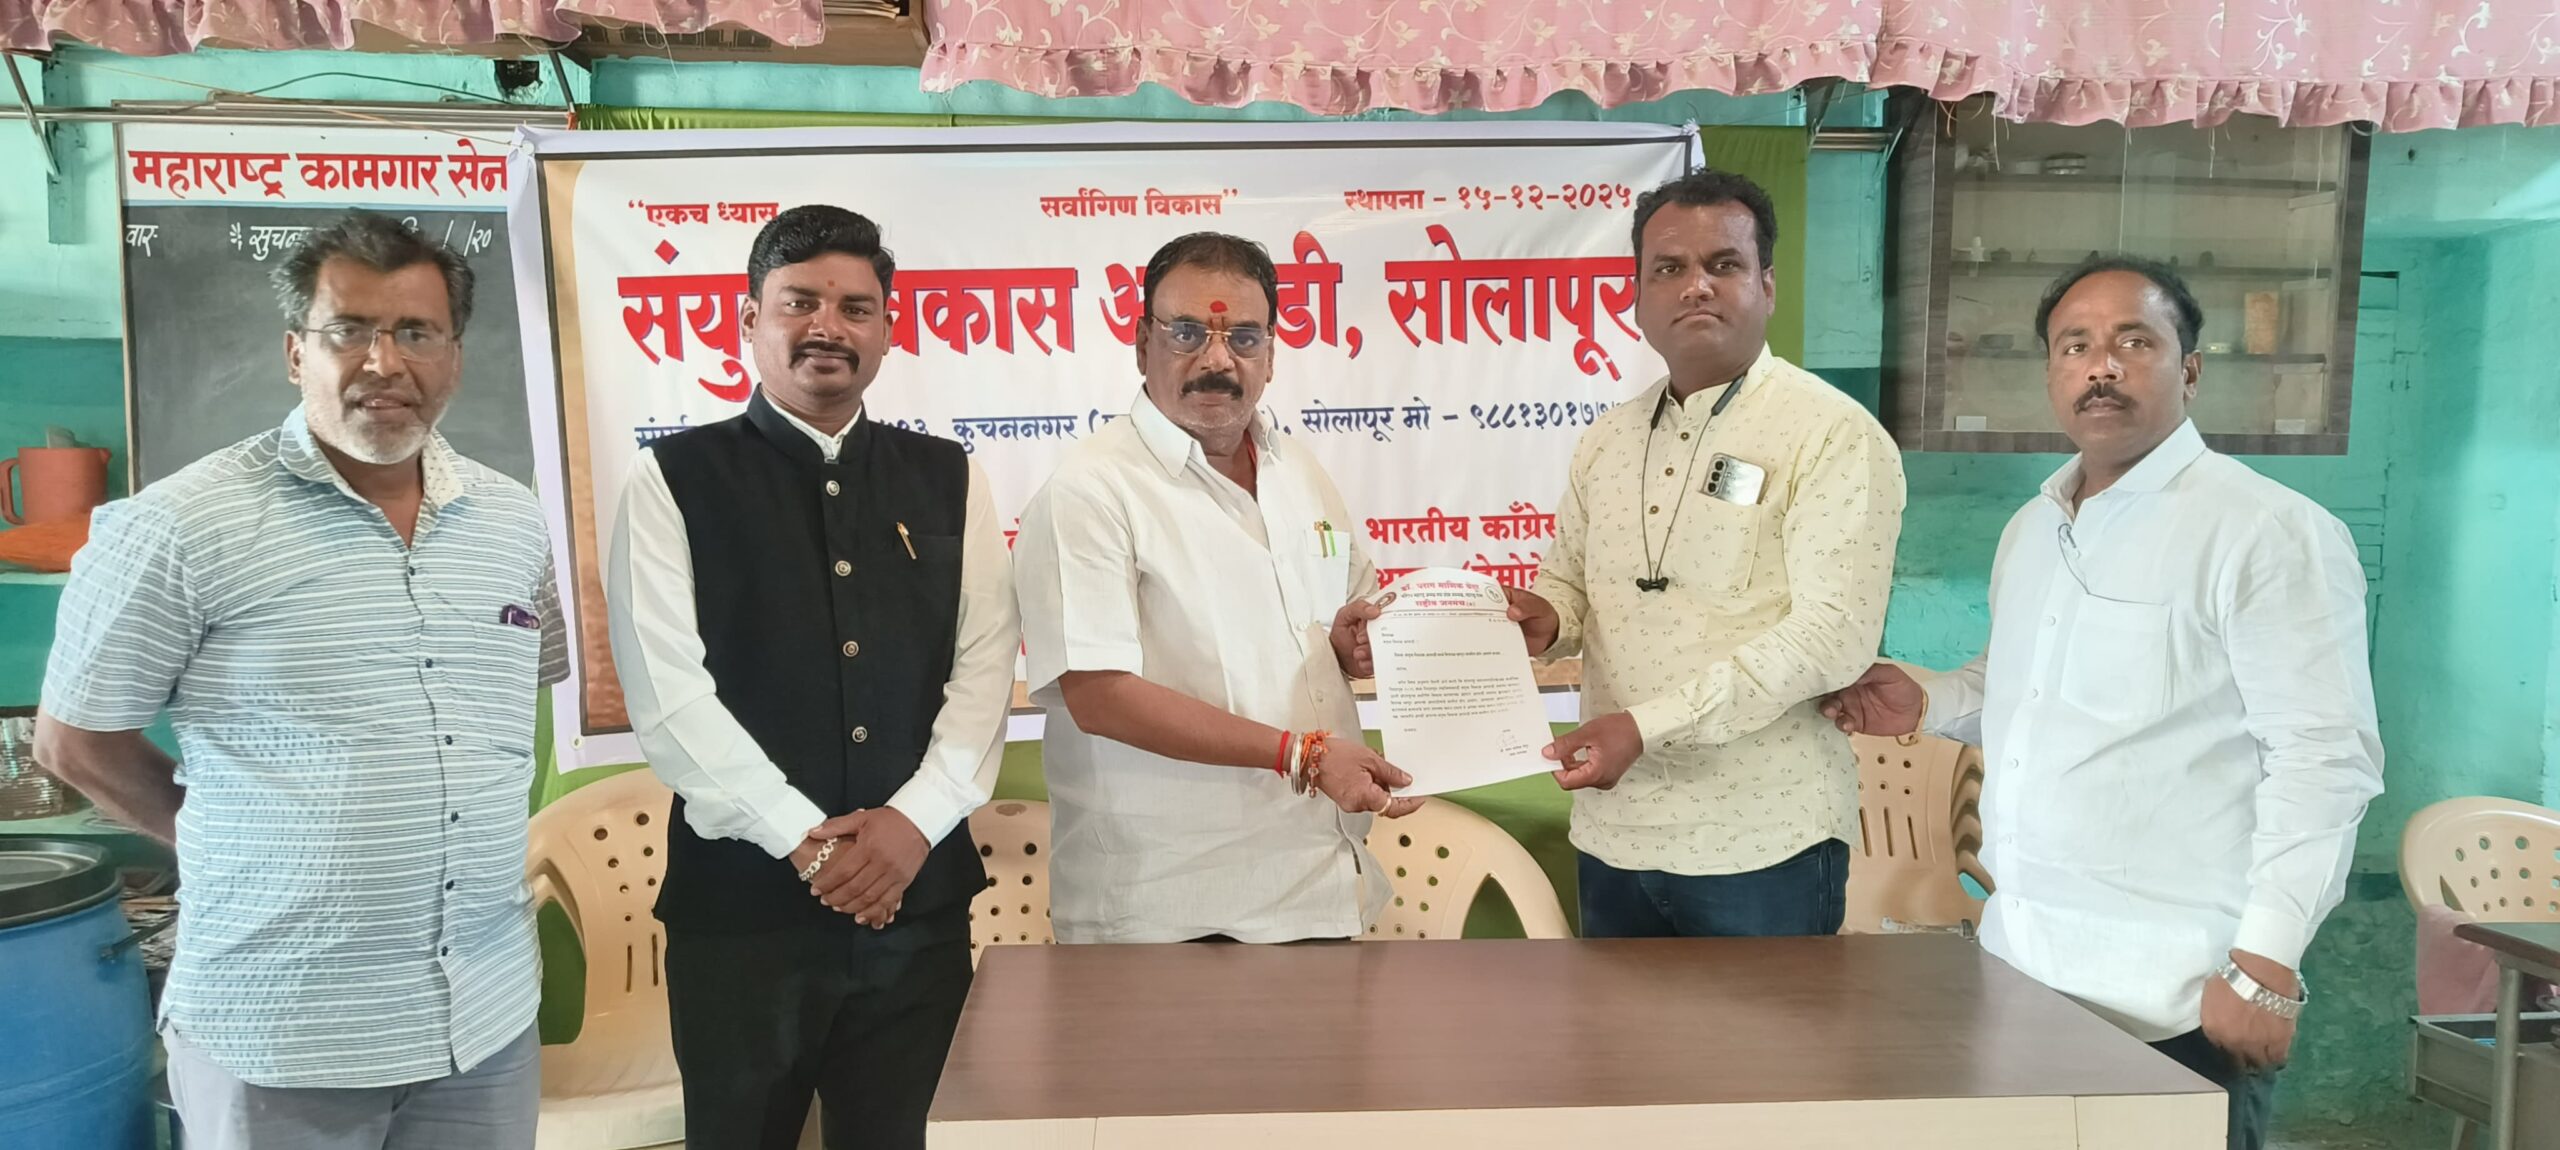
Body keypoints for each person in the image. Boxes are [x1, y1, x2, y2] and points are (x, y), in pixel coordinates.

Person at [1820, 256, 2383, 1150]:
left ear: (2189, 370)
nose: (2102, 367)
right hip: (2021, 972)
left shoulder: (2267, 532)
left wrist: (2267, 964)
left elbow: (2325, 758)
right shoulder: (2034, 527)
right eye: (2074, 346)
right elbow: (2022, 687)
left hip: (2176, 998)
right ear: (2052, 374)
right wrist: (1929, 700)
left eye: (2134, 342)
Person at [35, 210, 565, 1149]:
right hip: (283, 1025)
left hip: (482, 1019)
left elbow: (510, 693)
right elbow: (74, 743)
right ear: (295, 352)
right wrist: (229, 843)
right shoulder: (179, 525)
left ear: (454, 357)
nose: (383, 362)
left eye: (415, 332)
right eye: (348, 330)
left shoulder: (514, 521)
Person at [604, 205, 1015, 1150]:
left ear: (887, 331)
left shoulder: (949, 476)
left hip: (917, 908)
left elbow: (985, 671)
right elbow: (669, 699)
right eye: (800, 303)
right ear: (750, 318)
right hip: (742, 921)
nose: (828, 326)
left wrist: (910, 826)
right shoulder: (674, 479)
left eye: (855, 308)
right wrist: (808, 844)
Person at [1488, 171, 1906, 939]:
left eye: (1724, 264)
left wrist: (1643, 726)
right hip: (1615, 831)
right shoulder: (1607, 440)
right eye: (1669, 268)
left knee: (1768, 1030)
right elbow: (1570, 584)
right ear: (1637, 295)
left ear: (1767, 285)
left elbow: (1832, 637)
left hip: (1764, 842)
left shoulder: (1831, 433)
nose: (1696, 286)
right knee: (1616, 1027)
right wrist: (1547, 619)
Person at [1012, 231, 1419, 946]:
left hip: (1319, 890)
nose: (1217, 361)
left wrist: (1350, 643)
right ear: (1143, 344)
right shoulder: (1092, 489)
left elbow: (1331, 624)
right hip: (1168, 915)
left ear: (1271, 354)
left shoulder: (1298, 470)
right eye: (1187, 333)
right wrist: (1302, 754)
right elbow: (1098, 695)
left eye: (1244, 338)